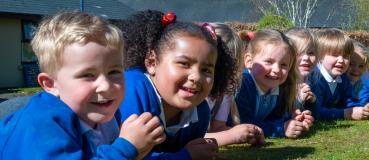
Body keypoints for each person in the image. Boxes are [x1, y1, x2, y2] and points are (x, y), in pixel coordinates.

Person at [0, 11, 164, 159]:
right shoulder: (43, 125)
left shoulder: (104, 116)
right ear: (50, 84)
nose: (106, 86)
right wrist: (127, 147)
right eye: (87, 75)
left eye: (114, 72)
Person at [118, 10, 229, 160]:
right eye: (184, 63)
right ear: (152, 62)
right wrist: (186, 156)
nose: (196, 77)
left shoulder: (200, 112)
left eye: (206, 70)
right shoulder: (133, 89)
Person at [235, 29, 314, 139]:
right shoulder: (243, 84)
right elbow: (245, 124)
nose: (276, 70)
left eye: (283, 65)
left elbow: (271, 119)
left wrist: (295, 120)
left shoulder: (278, 86)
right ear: (249, 61)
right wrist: (282, 128)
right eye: (268, 62)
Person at [204, 23, 265, 146]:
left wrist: (246, 132)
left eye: (230, 64)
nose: (224, 69)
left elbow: (218, 127)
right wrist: (231, 136)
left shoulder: (225, 91)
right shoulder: (193, 91)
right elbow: (188, 138)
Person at [308, 28, 369, 121]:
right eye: (335, 55)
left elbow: (347, 101)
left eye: (346, 56)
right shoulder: (315, 80)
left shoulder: (342, 79)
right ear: (320, 57)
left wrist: (364, 108)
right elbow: (315, 112)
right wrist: (345, 114)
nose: (341, 60)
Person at [285, 28, 318, 110]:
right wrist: (299, 101)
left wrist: (312, 101)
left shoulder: (313, 79)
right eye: (299, 53)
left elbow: (316, 115)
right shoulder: (282, 82)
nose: (306, 58)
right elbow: (280, 114)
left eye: (311, 53)